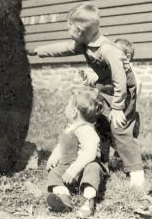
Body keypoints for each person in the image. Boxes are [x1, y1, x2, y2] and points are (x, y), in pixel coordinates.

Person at [28, 2, 144, 187]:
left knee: (119, 128)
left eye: (69, 27)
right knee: (97, 122)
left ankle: (136, 172)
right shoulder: (84, 43)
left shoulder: (107, 50)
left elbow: (121, 79)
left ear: (80, 30)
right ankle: (101, 163)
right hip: (105, 89)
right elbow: (64, 47)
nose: (67, 31)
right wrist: (37, 51)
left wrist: (117, 107)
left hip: (122, 94)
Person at [46, 87, 105, 218]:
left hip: (83, 167)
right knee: (54, 173)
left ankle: (88, 199)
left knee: (93, 169)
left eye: (67, 104)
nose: (65, 107)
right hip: (68, 168)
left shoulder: (86, 129)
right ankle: (63, 197)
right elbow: (61, 145)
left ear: (74, 111)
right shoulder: (70, 128)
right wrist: (54, 157)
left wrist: (73, 171)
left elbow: (89, 153)